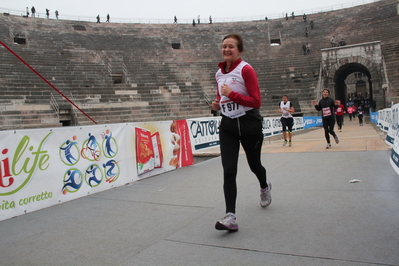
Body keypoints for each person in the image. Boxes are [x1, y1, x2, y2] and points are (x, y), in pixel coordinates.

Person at [211, 34, 271, 232]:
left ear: (239, 50)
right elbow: (222, 97)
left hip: (249, 124)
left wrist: (232, 95)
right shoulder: (219, 74)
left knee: (255, 165)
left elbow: (256, 102)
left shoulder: (246, 69)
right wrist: (217, 104)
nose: (227, 50)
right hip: (228, 125)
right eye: (224, 46)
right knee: (229, 170)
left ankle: (264, 186)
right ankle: (231, 216)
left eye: (231, 47)